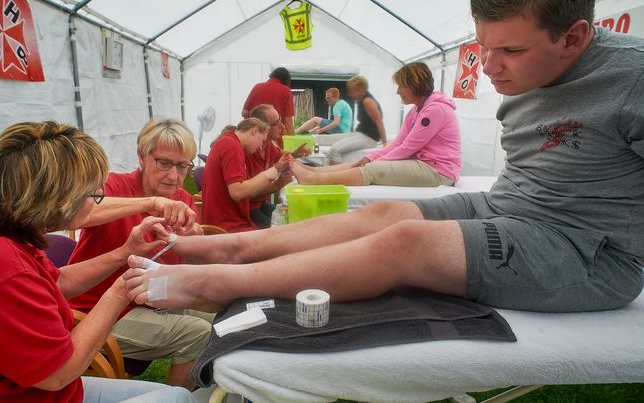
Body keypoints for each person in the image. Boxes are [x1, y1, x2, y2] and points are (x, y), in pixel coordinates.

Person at [123, 0, 644, 315]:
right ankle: (234, 249)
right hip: (507, 206)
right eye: (483, 46)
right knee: (381, 212)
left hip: (585, 249)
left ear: (573, 38)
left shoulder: (632, 79)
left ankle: (214, 284)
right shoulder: (523, 71)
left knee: (405, 240)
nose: (489, 66)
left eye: (508, 51)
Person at [0, 122, 195, 402]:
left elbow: (58, 281)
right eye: (93, 194)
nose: (96, 202)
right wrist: (120, 290)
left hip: (29, 386)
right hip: (32, 390)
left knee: (173, 395)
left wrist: (124, 252)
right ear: (54, 198)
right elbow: (59, 374)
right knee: (179, 399)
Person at [67, 117, 210, 390]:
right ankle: (176, 398)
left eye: (183, 166)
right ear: (142, 157)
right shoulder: (112, 186)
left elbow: (190, 258)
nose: (173, 176)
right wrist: (150, 202)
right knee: (199, 334)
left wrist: (196, 239)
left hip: (152, 296)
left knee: (221, 315)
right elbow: (76, 212)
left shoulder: (184, 199)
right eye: (164, 163)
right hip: (98, 309)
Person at [292, 62, 461, 187]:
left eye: (401, 86)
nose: (398, 92)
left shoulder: (435, 110)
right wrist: (368, 157)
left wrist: (372, 163)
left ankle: (313, 179)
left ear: (415, 85)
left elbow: (408, 148)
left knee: (371, 170)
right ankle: (312, 171)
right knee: (362, 162)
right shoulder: (416, 111)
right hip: (425, 164)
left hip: (439, 171)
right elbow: (399, 143)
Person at [202, 117, 285, 232]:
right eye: (261, 141)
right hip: (227, 226)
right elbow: (237, 192)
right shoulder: (232, 146)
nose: (260, 147)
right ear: (254, 131)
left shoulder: (227, 142)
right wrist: (266, 175)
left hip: (225, 222)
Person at [246, 104, 295, 228]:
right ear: (263, 127)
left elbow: (281, 155)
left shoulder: (267, 146)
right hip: (246, 210)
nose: (282, 127)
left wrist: (295, 153)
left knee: (288, 217)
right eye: (277, 123)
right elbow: (248, 195)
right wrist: (278, 184)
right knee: (281, 226)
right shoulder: (247, 151)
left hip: (259, 204)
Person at [325, 75, 386, 165]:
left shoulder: (368, 101)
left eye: (351, 92)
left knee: (334, 150)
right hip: (359, 134)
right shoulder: (363, 100)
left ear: (361, 90)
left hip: (369, 138)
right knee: (326, 139)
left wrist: (384, 144)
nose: (349, 94)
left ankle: (337, 176)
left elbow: (379, 122)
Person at [242, 67, 296, 142]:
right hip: (276, 140)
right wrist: (292, 141)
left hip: (255, 137)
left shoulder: (257, 87)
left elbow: (245, 113)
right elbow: (288, 121)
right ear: (287, 81)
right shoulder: (285, 91)